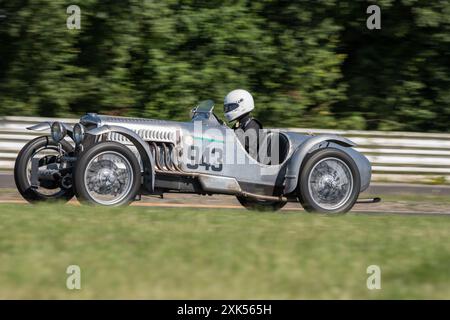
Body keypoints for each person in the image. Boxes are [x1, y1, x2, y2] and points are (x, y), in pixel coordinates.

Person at [223, 89, 262, 159]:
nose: (228, 110)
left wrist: (229, 133)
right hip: (236, 160)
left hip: (249, 164)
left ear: (242, 105)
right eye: (227, 108)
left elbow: (245, 144)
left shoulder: (253, 124)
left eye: (230, 107)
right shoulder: (238, 124)